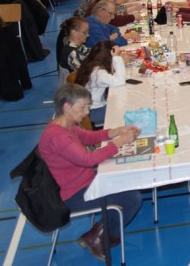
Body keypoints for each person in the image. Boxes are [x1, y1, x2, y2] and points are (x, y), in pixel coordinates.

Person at [39, 84, 141, 261]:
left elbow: (88, 137)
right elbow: (88, 160)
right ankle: (104, 238)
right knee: (132, 199)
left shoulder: (64, 125)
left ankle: (96, 233)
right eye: (83, 107)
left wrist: (118, 131)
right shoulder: (59, 137)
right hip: (76, 194)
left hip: (85, 181)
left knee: (124, 186)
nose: (87, 112)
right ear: (67, 106)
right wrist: (120, 142)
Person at [73, 41, 127, 125]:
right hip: (95, 112)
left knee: (119, 100)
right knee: (126, 108)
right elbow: (120, 81)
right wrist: (117, 58)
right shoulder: (99, 73)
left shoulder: (91, 65)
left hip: (88, 108)